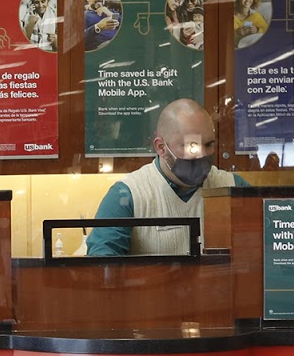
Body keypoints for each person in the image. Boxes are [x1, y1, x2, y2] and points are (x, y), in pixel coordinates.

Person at [85, 98, 246, 256]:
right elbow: (102, 263)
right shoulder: (127, 195)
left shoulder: (233, 188)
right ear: (161, 147)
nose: (203, 154)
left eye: (209, 145)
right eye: (192, 145)